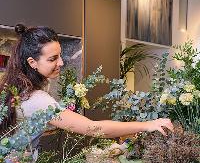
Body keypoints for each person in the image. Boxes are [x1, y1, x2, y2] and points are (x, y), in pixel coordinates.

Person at [0, 24, 173, 141]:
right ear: (32, 62)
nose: (61, 62)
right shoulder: (37, 99)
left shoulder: (18, 87)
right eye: (53, 58)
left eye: (59, 55)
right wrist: (148, 125)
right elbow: (92, 128)